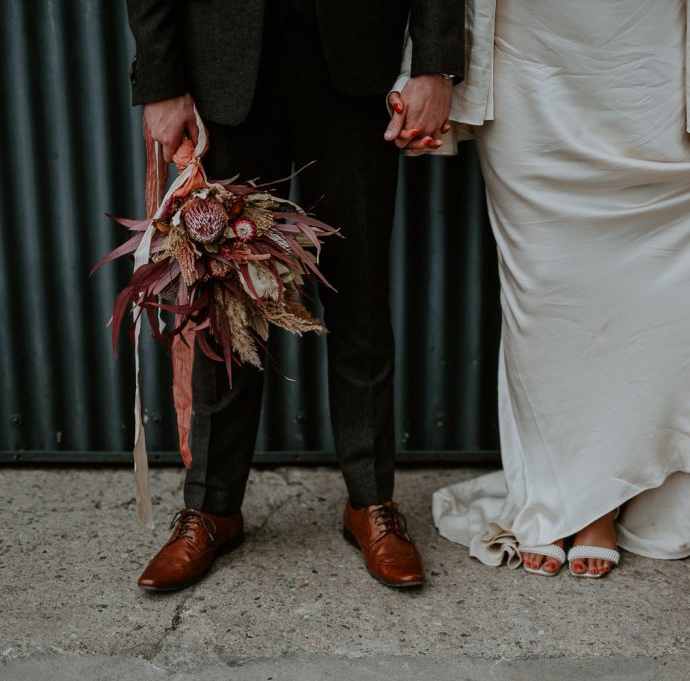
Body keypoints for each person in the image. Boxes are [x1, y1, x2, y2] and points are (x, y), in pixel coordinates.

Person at [389, 0, 690, 578]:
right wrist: (431, 68)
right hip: (528, 43)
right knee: (545, 289)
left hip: (650, 45)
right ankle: (559, 489)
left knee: (643, 285)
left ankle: (600, 500)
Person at [126, 0, 464, 591]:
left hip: (356, 59)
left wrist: (435, 63)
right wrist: (162, 79)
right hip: (222, 62)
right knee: (223, 294)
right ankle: (212, 507)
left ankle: (370, 503)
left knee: (359, 286)